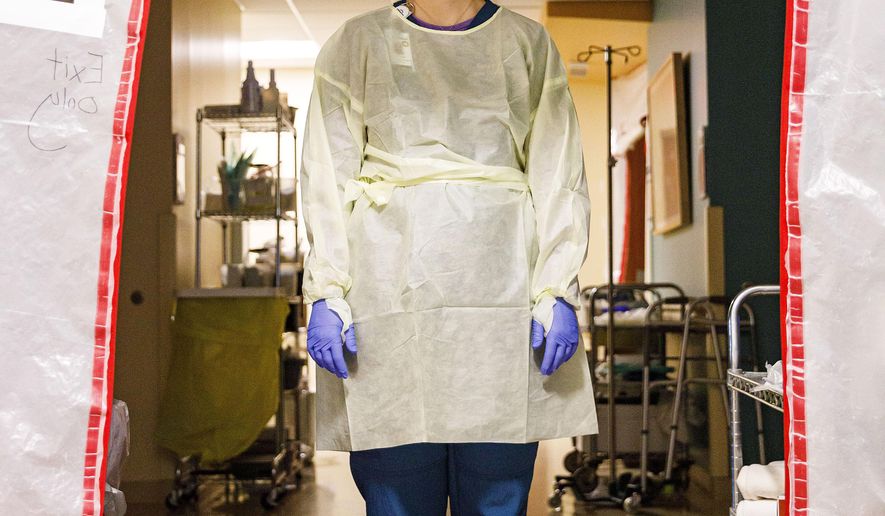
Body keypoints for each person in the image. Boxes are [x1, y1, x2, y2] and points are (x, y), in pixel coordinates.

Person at [300, 0, 597, 513]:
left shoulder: (526, 44)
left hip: (501, 281)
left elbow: (559, 173)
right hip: (387, 282)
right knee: (396, 477)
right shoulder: (357, 43)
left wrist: (556, 288)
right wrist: (328, 290)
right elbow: (325, 172)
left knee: (497, 475)